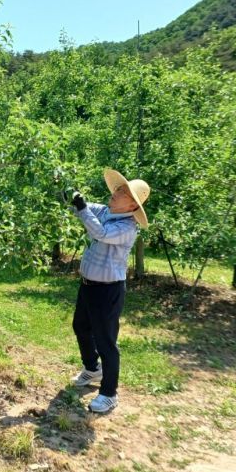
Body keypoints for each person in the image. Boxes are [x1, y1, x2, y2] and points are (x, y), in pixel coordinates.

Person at [70, 168, 150, 413]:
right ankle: (92, 369)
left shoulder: (127, 228)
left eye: (122, 192)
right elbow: (81, 209)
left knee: (106, 341)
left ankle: (109, 393)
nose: (115, 193)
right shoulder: (106, 211)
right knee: (80, 327)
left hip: (108, 291)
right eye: (118, 189)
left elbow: (100, 232)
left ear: (132, 205)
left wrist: (82, 209)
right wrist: (72, 197)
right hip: (88, 286)